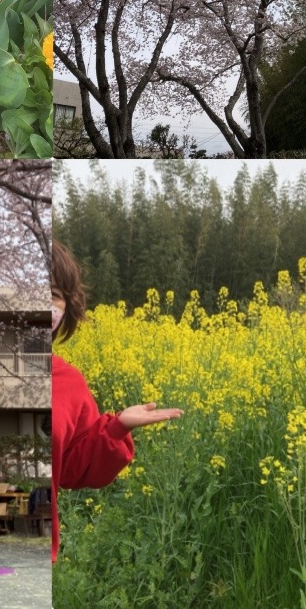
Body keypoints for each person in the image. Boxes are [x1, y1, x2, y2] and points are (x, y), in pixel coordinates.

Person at [52, 240, 184, 562]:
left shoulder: (68, 382)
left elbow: (69, 468)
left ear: (67, 306)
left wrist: (116, 428)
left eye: (53, 294)